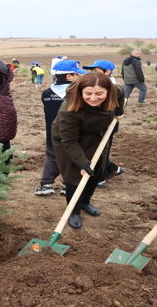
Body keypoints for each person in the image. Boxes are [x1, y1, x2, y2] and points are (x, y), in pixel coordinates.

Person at [52, 72, 125, 229]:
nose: (93, 98)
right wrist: (83, 163)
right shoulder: (69, 109)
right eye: (88, 94)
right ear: (81, 91)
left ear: (108, 91)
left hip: (97, 134)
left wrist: (119, 112)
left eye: (99, 93)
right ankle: (74, 210)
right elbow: (69, 141)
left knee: (96, 170)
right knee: (75, 174)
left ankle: (85, 202)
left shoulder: (115, 91)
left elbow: (122, 91)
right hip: (70, 139)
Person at [35, 60, 87, 196]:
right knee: (73, 158)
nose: (79, 77)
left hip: (52, 133)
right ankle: (67, 185)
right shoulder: (79, 93)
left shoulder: (46, 93)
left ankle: (46, 184)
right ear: (69, 76)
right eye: (77, 74)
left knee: (52, 156)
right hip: (75, 134)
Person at [81, 60, 127, 189]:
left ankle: (100, 177)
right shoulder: (94, 85)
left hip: (106, 125)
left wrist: (119, 113)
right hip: (93, 125)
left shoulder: (112, 87)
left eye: (96, 71)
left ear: (107, 72)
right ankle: (111, 168)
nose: (93, 74)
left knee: (102, 150)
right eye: (92, 71)